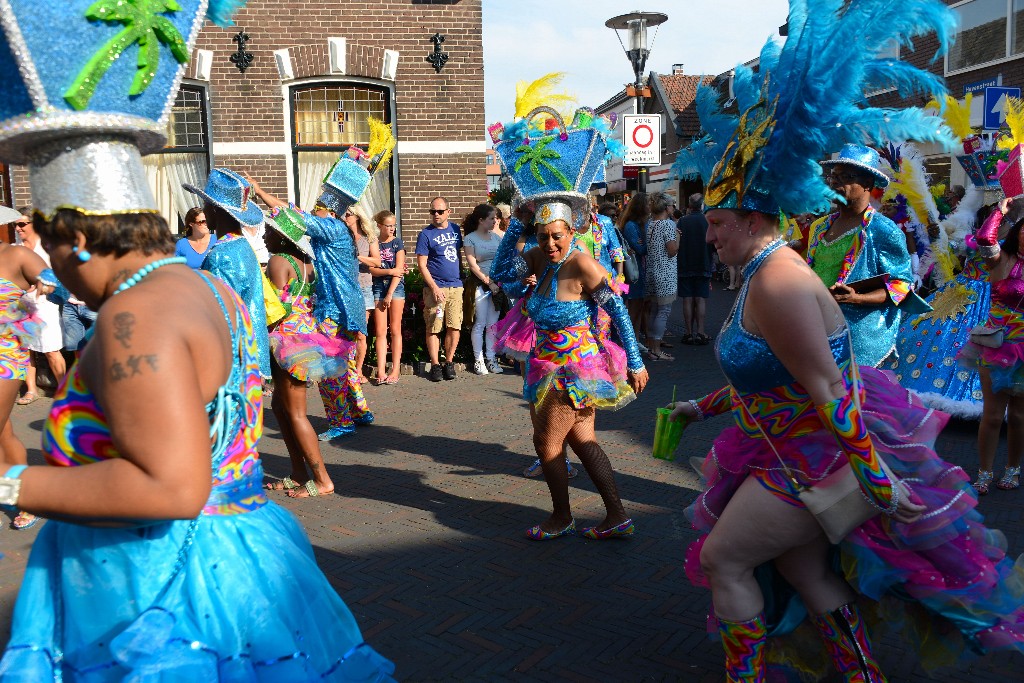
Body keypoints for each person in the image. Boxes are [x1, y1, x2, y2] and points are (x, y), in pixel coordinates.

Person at [0, 1, 395, 672]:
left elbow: (172, 487)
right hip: (237, 558)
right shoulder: (196, 285)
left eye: (52, 246)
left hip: (166, 592)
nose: (56, 273)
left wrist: (11, 484)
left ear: (73, 238)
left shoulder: (136, 316)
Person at [668, 2, 1024, 678]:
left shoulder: (777, 280)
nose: (707, 235)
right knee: (802, 565)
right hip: (788, 448)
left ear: (752, 217)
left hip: (811, 459)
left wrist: (876, 476)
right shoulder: (763, 273)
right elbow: (769, 373)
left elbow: (830, 385)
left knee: (724, 557)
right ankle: (862, 673)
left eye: (716, 223)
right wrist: (701, 408)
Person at [491, 102, 649, 540]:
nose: (550, 243)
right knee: (583, 441)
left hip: (573, 369)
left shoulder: (582, 264)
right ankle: (617, 515)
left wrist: (635, 362)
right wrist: (516, 229)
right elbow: (502, 276)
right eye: (543, 236)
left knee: (546, 445)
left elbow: (617, 308)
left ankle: (562, 516)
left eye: (556, 235)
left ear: (571, 230)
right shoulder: (539, 258)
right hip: (545, 364)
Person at [248, 154, 384, 441]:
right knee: (343, 363)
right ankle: (360, 411)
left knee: (329, 367)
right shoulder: (338, 229)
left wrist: (259, 192)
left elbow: (291, 216)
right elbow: (296, 214)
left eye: (319, 206)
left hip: (336, 308)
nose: (315, 210)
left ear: (329, 210)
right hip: (349, 305)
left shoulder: (331, 228)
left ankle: (341, 421)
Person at [807, 144, 917, 368]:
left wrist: (856, 298)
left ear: (867, 184)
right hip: (815, 332)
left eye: (846, 176)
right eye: (833, 176)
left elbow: (901, 287)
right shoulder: (819, 227)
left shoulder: (884, 230)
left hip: (857, 342)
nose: (835, 182)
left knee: (852, 403)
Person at [184, 168, 285, 380]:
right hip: (250, 357)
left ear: (215, 210)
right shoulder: (242, 245)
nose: (203, 210)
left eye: (207, 204)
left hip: (233, 365)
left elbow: (221, 317)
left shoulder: (221, 255)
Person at [959, 195, 1024, 493]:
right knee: (994, 415)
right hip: (998, 345)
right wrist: (1000, 211)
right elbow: (984, 238)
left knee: (1020, 416)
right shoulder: (1001, 260)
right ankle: (984, 472)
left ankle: (1012, 470)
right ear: (1017, 233)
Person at [0, 211, 55, 531]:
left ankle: (31, 496)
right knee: (4, 433)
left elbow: (52, 279)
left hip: (6, 356)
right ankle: (22, 498)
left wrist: (23, 309)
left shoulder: (15, 254)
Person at [12, 209, 65, 406]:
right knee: (26, 350)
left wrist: (42, 283)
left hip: (46, 304)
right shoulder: (15, 248)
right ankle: (31, 390)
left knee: (51, 350)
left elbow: (57, 275)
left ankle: (62, 393)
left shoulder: (47, 248)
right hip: (22, 303)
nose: (17, 228)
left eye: (22, 224)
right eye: (15, 225)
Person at [416, 197, 464, 382]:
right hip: (436, 289)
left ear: (448, 212)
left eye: (440, 211)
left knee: (454, 325)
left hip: (456, 286)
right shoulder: (426, 234)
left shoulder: (455, 230)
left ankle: (449, 362)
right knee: (434, 327)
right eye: (433, 212)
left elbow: (459, 255)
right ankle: (435, 364)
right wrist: (434, 287)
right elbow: (422, 265)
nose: (436, 215)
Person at [463, 203, 504, 375]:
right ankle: (478, 360)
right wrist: (489, 282)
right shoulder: (470, 238)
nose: (495, 221)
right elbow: (473, 265)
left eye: (495, 218)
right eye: (491, 219)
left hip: (497, 285)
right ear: (481, 220)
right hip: (480, 284)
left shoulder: (496, 238)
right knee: (479, 323)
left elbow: (502, 260)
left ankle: (491, 358)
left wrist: (499, 281)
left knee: (492, 324)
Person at [345, 204, 381, 385]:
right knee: (346, 332)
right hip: (346, 288)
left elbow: (377, 261)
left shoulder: (369, 238)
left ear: (357, 216)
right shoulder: (343, 237)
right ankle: (348, 369)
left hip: (364, 287)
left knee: (361, 333)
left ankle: (358, 370)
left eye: (349, 214)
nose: (345, 217)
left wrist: (358, 257)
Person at [369, 210, 406, 385]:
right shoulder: (374, 243)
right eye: (388, 225)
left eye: (393, 225)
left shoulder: (397, 242)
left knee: (395, 329)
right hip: (378, 286)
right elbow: (373, 269)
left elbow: (399, 270)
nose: (391, 229)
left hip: (395, 288)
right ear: (379, 226)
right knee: (380, 331)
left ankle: (396, 368)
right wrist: (389, 271)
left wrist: (390, 292)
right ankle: (381, 370)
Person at [644, 193, 678, 361]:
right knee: (663, 311)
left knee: (654, 310)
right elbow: (672, 250)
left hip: (652, 271)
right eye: (672, 205)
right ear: (666, 208)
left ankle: (651, 348)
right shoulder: (668, 224)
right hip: (665, 273)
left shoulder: (651, 224)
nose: (673, 208)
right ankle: (657, 349)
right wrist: (679, 237)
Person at [677, 192, 713, 345]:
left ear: (690, 206)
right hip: (703, 262)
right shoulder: (707, 221)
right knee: (700, 298)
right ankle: (700, 331)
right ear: (702, 205)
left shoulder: (682, 222)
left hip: (685, 263)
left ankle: (688, 332)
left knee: (687, 298)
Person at [618, 193, 649, 345]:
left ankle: (635, 339)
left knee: (638, 307)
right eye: (648, 204)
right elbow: (641, 248)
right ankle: (630, 341)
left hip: (636, 270)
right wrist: (647, 241)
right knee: (633, 307)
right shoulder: (631, 226)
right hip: (632, 272)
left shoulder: (636, 224)